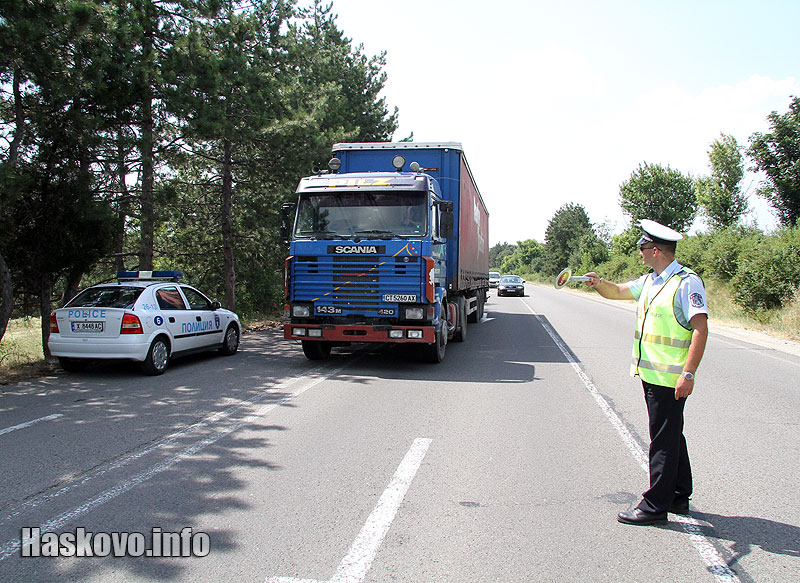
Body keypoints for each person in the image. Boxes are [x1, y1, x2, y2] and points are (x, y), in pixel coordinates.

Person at [584, 219, 709, 525]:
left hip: (671, 378)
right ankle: (678, 495)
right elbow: (618, 291)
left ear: (655, 250)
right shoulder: (652, 281)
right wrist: (598, 283)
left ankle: (654, 506)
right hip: (653, 375)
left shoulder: (686, 282)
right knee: (671, 435)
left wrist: (688, 373)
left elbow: (700, 329)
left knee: (662, 441)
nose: (639, 252)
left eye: (642, 247)